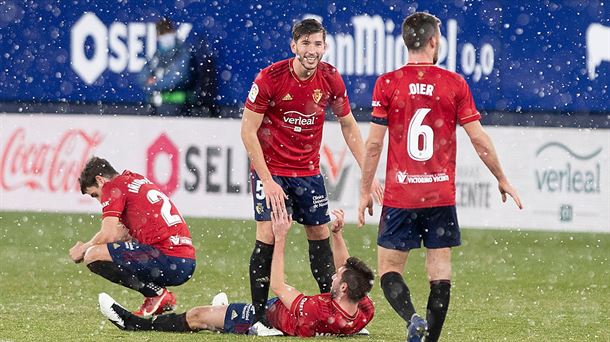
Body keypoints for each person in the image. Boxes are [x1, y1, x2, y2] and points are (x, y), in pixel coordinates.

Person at [357, 12, 523, 342]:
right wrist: (502, 177)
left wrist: (364, 190)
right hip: (439, 195)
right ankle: (429, 338)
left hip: (401, 194)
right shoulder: (453, 83)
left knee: (390, 270)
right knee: (440, 276)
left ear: (407, 41)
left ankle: (412, 318)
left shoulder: (388, 83)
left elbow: (374, 143)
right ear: (434, 40)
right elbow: (478, 139)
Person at [240, 17, 383, 335]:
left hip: (308, 172)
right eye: (305, 43)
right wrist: (267, 180)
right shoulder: (270, 78)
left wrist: (367, 173)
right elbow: (248, 131)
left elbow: (348, 125)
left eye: (317, 44)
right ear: (294, 46)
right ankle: (260, 320)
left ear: (325, 46)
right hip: (274, 172)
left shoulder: (330, 78)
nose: (312, 50)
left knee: (320, 233)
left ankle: (333, 313)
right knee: (268, 233)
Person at [98, 209, 375, 337]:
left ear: (343, 290)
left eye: (338, 277)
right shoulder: (363, 309)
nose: (334, 276)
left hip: (267, 318)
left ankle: (135, 324)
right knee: (222, 312)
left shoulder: (315, 309)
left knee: (197, 316)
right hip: (280, 312)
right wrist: (337, 236)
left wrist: (280, 238)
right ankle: (225, 313)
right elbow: (348, 271)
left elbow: (277, 285)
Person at [69, 156, 196, 317]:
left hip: (169, 258)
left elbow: (109, 235)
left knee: (93, 256)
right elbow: (121, 233)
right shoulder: (134, 179)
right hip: (185, 261)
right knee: (111, 249)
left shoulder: (112, 187)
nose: (99, 201)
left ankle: (156, 294)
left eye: (95, 195)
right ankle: (156, 296)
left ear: (100, 180)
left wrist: (84, 248)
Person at [138, 17, 218, 117]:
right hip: (157, 106)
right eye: (162, 33)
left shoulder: (183, 52)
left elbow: (179, 78)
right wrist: (153, 85)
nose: (165, 36)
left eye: (167, 32)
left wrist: (155, 83)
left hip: (179, 106)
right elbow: (142, 78)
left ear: (173, 32)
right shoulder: (158, 55)